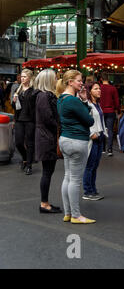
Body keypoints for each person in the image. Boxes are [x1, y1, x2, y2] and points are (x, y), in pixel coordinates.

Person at [57, 70, 95, 224]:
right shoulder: (72, 100)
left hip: (65, 139)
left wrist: (84, 101)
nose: (82, 83)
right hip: (77, 141)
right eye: (79, 81)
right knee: (75, 180)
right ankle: (76, 215)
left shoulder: (61, 99)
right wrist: (85, 103)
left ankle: (68, 213)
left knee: (67, 177)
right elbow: (89, 121)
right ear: (70, 82)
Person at [34, 69, 62, 214]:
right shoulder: (45, 96)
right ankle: (44, 203)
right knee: (47, 172)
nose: (57, 79)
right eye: (55, 77)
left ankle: (45, 202)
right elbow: (48, 118)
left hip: (45, 137)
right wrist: (59, 124)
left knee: (48, 172)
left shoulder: (43, 96)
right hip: (46, 138)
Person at [82, 82, 107, 201]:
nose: (99, 91)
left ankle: (93, 189)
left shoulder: (97, 104)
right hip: (93, 138)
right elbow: (85, 120)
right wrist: (91, 133)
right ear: (89, 91)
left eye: (99, 89)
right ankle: (87, 191)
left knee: (94, 165)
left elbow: (100, 119)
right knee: (89, 166)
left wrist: (104, 132)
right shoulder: (87, 104)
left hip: (100, 137)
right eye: (96, 89)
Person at [13, 69, 37, 175]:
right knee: (18, 142)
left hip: (30, 120)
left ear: (30, 78)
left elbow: (35, 107)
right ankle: (25, 158)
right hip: (19, 119)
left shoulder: (33, 91)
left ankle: (29, 165)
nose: (22, 78)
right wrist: (14, 102)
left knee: (30, 143)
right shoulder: (18, 90)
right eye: (21, 76)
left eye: (25, 77)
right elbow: (16, 108)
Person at [99, 75, 120, 156]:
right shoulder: (113, 88)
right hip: (111, 111)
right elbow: (116, 101)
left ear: (101, 79)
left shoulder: (99, 88)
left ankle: (103, 148)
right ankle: (110, 149)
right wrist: (118, 110)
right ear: (108, 79)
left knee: (102, 129)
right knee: (110, 130)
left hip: (101, 111)